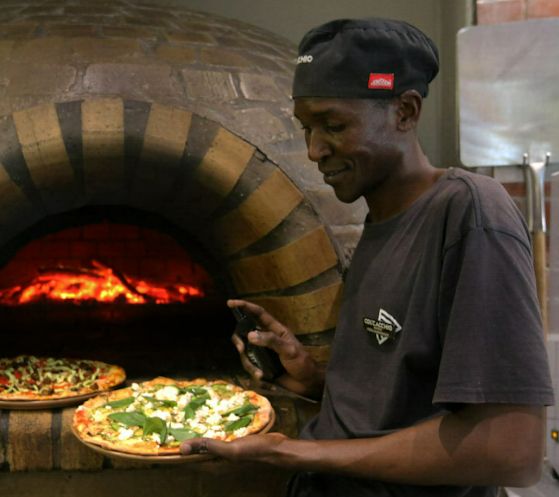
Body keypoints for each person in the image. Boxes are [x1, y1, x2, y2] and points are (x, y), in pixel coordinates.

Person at [180, 18, 554, 497]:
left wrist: (287, 452)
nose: (314, 149)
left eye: (333, 125)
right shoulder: (377, 223)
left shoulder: (470, 212)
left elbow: (510, 450)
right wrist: (311, 376)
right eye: (306, 128)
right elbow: (398, 408)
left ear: (405, 111)